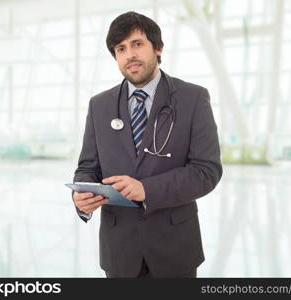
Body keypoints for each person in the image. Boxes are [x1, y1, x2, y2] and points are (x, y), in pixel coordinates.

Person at [72, 11, 222, 278]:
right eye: (121, 48)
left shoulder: (192, 98)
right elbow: (87, 167)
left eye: (137, 44)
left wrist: (146, 189)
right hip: (119, 252)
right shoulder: (100, 105)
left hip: (174, 249)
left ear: (158, 48)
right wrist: (81, 197)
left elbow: (206, 172)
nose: (129, 54)